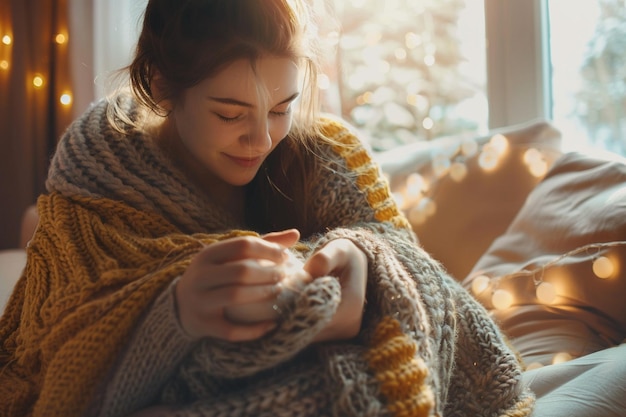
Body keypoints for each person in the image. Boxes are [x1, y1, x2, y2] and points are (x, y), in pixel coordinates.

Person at [0, 1, 535, 416]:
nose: (260, 138)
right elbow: (52, 374)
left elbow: (411, 264)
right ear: (162, 85)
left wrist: (360, 258)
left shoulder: (325, 153)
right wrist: (173, 313)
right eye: (230, 113)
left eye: (280, 108)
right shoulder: (93, 186)